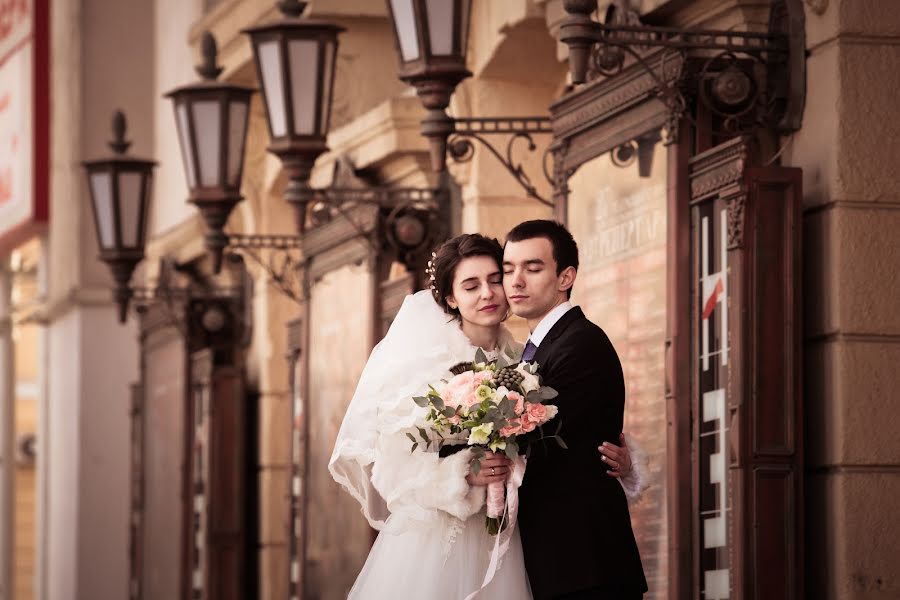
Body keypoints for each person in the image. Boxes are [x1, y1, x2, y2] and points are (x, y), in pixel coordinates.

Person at [329, 233, 646, 599]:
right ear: (451, 298)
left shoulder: (522, 358)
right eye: (471, 285)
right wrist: (461, 474)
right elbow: (392, 462)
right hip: (447, 534)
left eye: (496, 279)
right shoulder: (427, 362)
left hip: (517, 540)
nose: (488, 293)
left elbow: (563, 425)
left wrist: (622, 461)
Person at [504, 220, 648, 599]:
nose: (515, 281)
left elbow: (541, 448)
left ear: (565, 276)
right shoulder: (539, 346)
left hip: (583, 564)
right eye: (508, 270)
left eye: (532, 268)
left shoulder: (580, 344)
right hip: (562, 562)